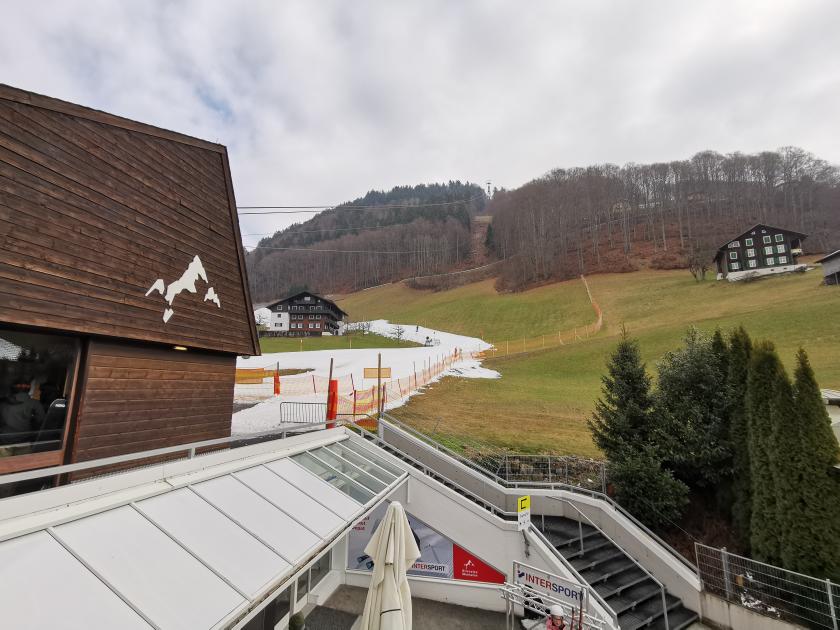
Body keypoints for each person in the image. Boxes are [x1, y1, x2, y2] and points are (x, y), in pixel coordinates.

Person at [0, 380, 46, 444]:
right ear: (29, 389)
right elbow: (41, 421)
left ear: (12, 389)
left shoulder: (2, 401)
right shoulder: (35, 403)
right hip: (24, 440)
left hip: (4, 439)